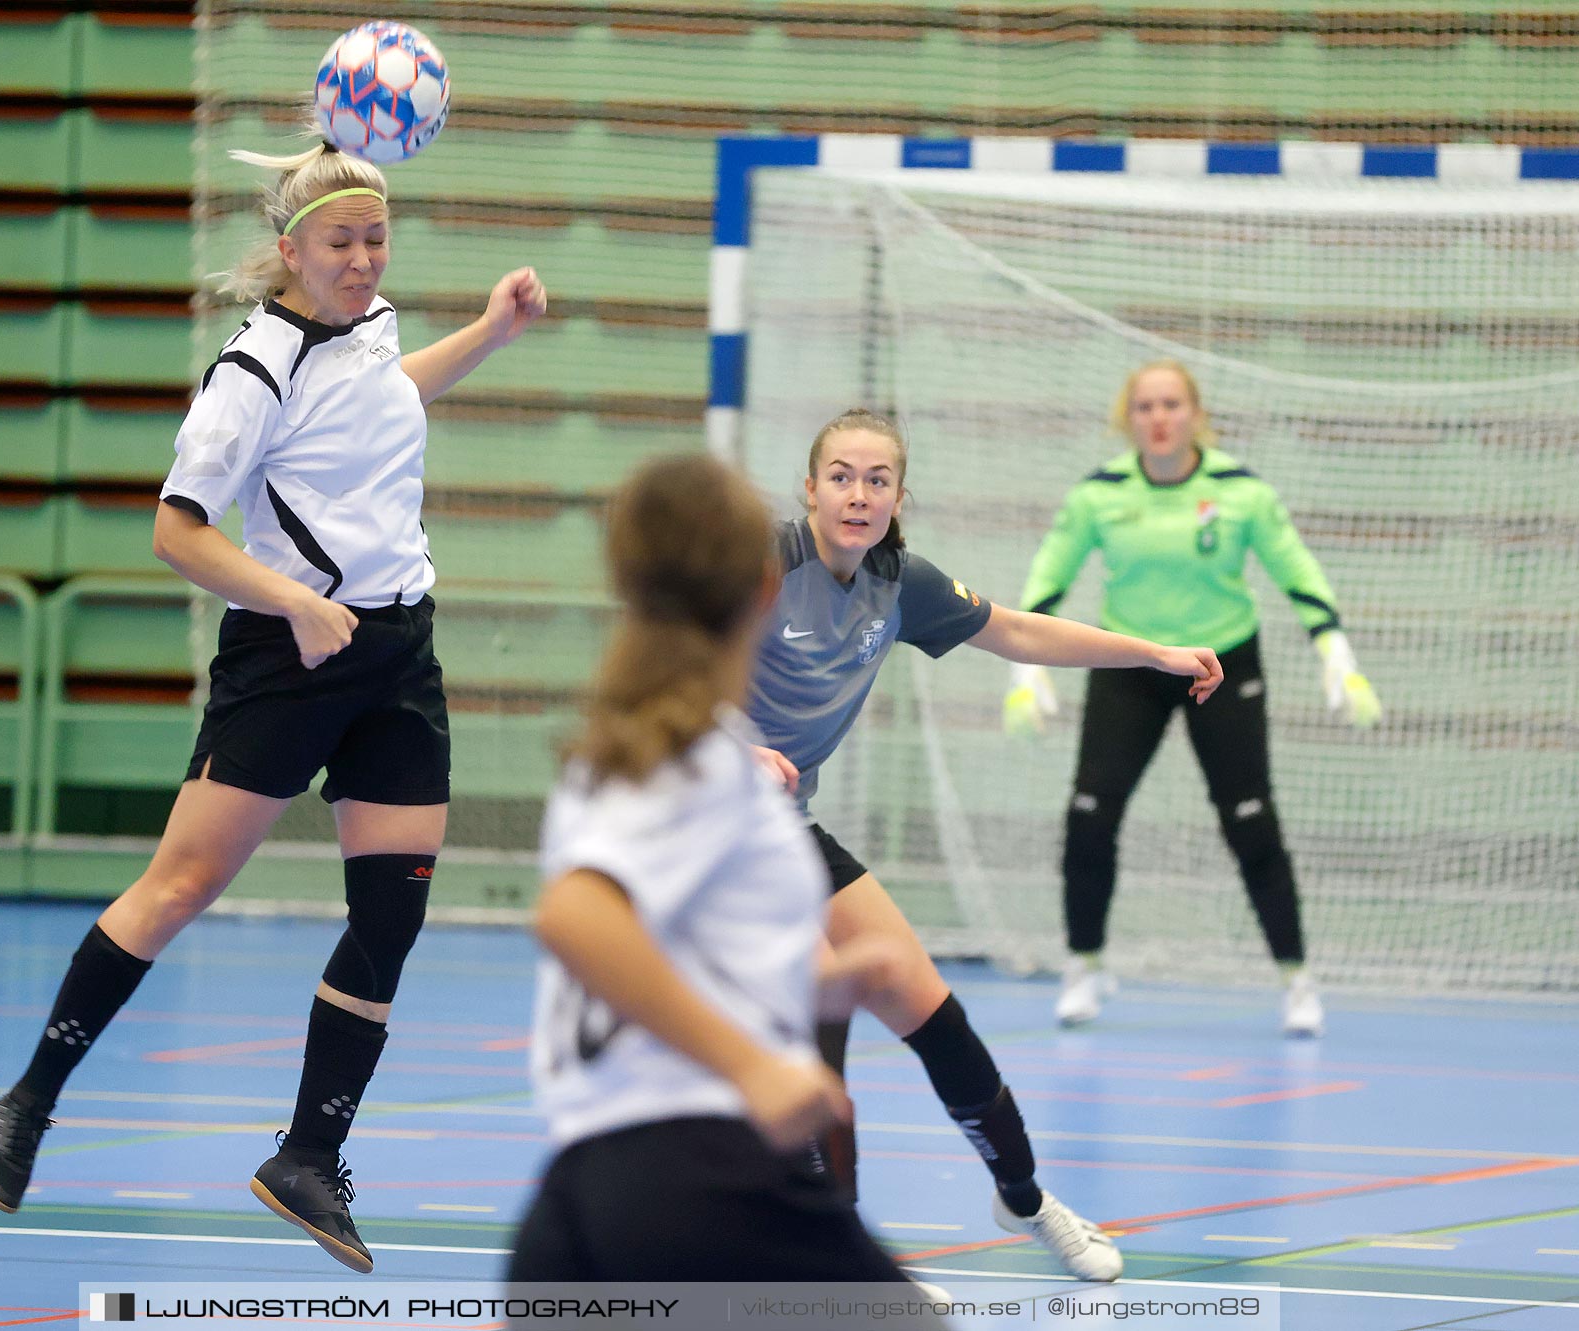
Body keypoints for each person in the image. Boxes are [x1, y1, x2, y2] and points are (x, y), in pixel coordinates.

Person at [0, 137, 546, 1274]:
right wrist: (293, 601)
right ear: (290, 249)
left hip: (398, 651)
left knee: (394, 912)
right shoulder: (251, 369)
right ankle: (29, 1098)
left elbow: (384, 399)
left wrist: (491, 333)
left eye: (377, 238)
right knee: (181, 884)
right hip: (289, 656)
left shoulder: (370, 328)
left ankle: (309, 1153)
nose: (365, 260)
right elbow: (175, 528)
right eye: (342, 242)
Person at [742, 406, 1226, 1284]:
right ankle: (838, 1257)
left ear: (898, 496)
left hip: (791, 830)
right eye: (841, 475)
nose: (858, 493)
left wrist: (1154, 653)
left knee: (931, 1010)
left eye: (877, 479)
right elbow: (664, 675)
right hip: (713, 829)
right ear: (810, 488)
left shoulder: (900, 583)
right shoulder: (762, 567)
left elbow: (1020, 631)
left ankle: (1025, 1198)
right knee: (826, 1006)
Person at [507, 453, 944, 1310]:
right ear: (763, 589)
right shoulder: (700, 760)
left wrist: (821, 979)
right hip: (702, 1170)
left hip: (589, 1176)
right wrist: (753, 1064)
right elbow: (575, 917)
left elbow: (680, 950)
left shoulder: (617, 750)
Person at [1004, 359, 1381, 1037]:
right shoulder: (1100, 493)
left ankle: (1297, 978)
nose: (1159, 417)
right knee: (1090, 812)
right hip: (1130, 662)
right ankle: (1083, 963)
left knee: (1249, 819)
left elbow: (1295, 565)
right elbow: (1049, 572)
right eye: (1145, 405)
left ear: (1195, 414)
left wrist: (1335, 651)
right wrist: (1025, 670)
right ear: (1129, 416)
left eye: (1172, 404)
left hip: (1223, 663)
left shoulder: (1241, 491)